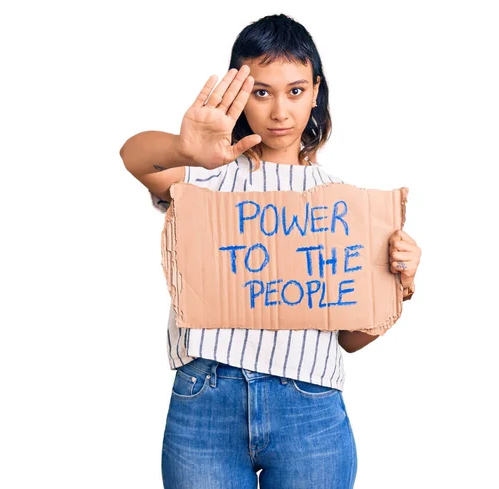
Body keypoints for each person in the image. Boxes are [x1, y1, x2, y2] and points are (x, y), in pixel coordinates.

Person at [120, 13, 421, 489]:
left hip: (308, 406)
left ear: (316, 91)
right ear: (241, 95)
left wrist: (398, 289)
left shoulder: (347, 206)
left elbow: (349, 339)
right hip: (207, 400)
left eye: (296, 91)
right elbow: (135, 157)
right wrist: (186, 148)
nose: (280, 111)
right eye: (261, 92)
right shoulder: (207, 177)